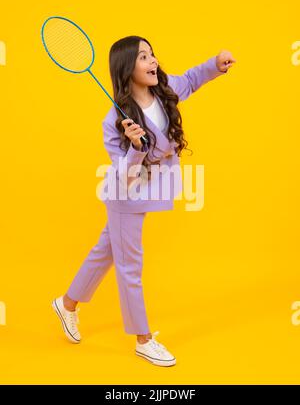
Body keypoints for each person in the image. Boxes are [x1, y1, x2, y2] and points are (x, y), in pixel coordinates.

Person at [52, 36, 236, 366]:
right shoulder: (114, 120)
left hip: (150, 191)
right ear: (127, 68)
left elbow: (192, 79)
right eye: (143, 57)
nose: (152, 61)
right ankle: (143, 339)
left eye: (152, 54)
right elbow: (124, 176)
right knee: (130, 266)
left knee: (106, 250)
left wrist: (215, 64)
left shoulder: (165, 92)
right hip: (126, 196)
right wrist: (136, 147)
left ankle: (66, 304)